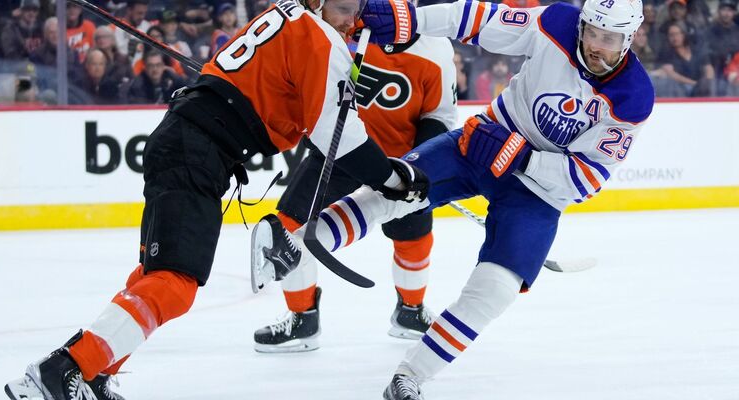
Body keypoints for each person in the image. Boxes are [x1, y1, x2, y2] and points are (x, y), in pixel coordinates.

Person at [2, 0, 418, 398]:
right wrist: (392, 179)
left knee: (151, 276)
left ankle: (93, 375)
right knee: (175, 285)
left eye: (358, 12)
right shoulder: (321, 39)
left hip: (183, 138)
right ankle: (63, 370)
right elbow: (337, 136)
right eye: (345, 10)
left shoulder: (288, 14)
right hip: (198, 150)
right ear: (317, 2)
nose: (352, 21)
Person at [251, 0, 654, 398]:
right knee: (394, 191)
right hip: (483, 142)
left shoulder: (633, 97)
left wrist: (522, 156)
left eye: (609, 38)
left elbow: (586, 178)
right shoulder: (557, 23)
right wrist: (414, 19)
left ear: (629, 37)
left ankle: (410, 376)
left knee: (495, 290)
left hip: (538, 191)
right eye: (592, 32)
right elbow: (478, 19)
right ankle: (294, 247)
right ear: (582, 24)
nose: (596, 45)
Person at [251, 0, 457, 352]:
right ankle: (303, 319)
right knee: (286, 226)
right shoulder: (347, 26)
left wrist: (419, 166)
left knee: (413, 236)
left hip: (401, 161)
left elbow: (439, 115)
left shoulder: (436, 46)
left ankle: (411, 311)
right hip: (342, 149)